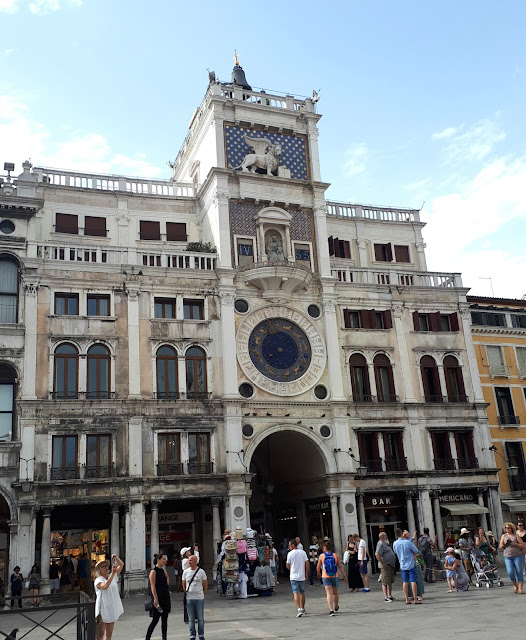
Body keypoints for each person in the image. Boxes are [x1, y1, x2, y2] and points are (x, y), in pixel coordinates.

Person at [94, 555, 124, 640]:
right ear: (99, 570)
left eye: (107, 566)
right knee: (100, 635)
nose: (106, 568)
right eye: (103, 567)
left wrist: (116, 557)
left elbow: (121, 565)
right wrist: (113, 573)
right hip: (102, 610)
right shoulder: (98, 580)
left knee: (108, 635)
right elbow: (105, 586)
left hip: (111, 609)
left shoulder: (112, 576)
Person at [317, 541, 347, 616]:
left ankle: (331, 610)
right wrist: (344, 576)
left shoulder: (321, 556)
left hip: (325, 576)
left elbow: (318, 567)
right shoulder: (334, 555)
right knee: (335, 592)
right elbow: (340, 566)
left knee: (329, 593)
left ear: (324, 548)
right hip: (334, 576)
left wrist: (319, 574)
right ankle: (336, 605)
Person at [146, 553, 171, 640]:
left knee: (165, 620)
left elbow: (167, 578)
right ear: (158, 560)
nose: (165, 560)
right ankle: (147, 637)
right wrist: (155, 599)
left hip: (165, 596)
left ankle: (164, 637)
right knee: (155, 620)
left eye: (165, 559)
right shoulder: (153, 571)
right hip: (158, 597)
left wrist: (166, 585)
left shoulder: (163, 571)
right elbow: (152, 586)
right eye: (163, 559)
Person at [392, 529, 421, 605]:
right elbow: (416, 551)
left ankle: (407, 599)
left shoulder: (395, 543)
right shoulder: (407, 542)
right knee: (413, 581)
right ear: (401, 534)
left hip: (402, 564)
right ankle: (415, 599)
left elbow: (395, 551)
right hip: (411, 563)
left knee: (405, 582)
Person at [182, 554, 207, 640]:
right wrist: (187, 592)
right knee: (191, 618)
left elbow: (205, 585)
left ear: (196, 562)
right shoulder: (186, 572)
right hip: (190, 598)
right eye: (189, 560)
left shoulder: (201, 572)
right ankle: (192, 634)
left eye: (191, 560)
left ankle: (201, 634)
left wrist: (201, 593)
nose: (189, 562)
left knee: (200, 618)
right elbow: (184, 583)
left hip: (199, 598)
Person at [499, 522, 525, 593]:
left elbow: (522, 545)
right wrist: (504, 544)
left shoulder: (516, 536)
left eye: (508, 528)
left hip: (517, 555)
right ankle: (515, 585)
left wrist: (514, 544)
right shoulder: (503, 536)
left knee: (519, 571)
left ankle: (520, 588)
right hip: (507, 556)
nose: (507, 529)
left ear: (512, 528)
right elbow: (500, 546)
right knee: (510, 572)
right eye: (505, 528)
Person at [286, 538, 309, 617]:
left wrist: (291, 569)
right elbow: (307, 563)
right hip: (301, 575)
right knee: (302, 593)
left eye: (289, 545)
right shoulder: (303, 553)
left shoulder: (290, 554)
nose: (288, 546)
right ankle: (302, 608)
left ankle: (298, 609)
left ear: (293, 545)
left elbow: (287, 565)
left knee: (295, 592)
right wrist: (306, 572)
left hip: (293, 576)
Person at [375, 532, 396, 602]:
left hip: (390, 565)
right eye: (386, 535)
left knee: (389, 580)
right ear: (383, 536)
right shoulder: (380, 544)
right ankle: (386, 596)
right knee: (385, 581)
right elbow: (377, 554)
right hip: (385, 565)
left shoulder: (385, 543)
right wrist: (383, 563)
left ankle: (389, 595)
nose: (387, 536)